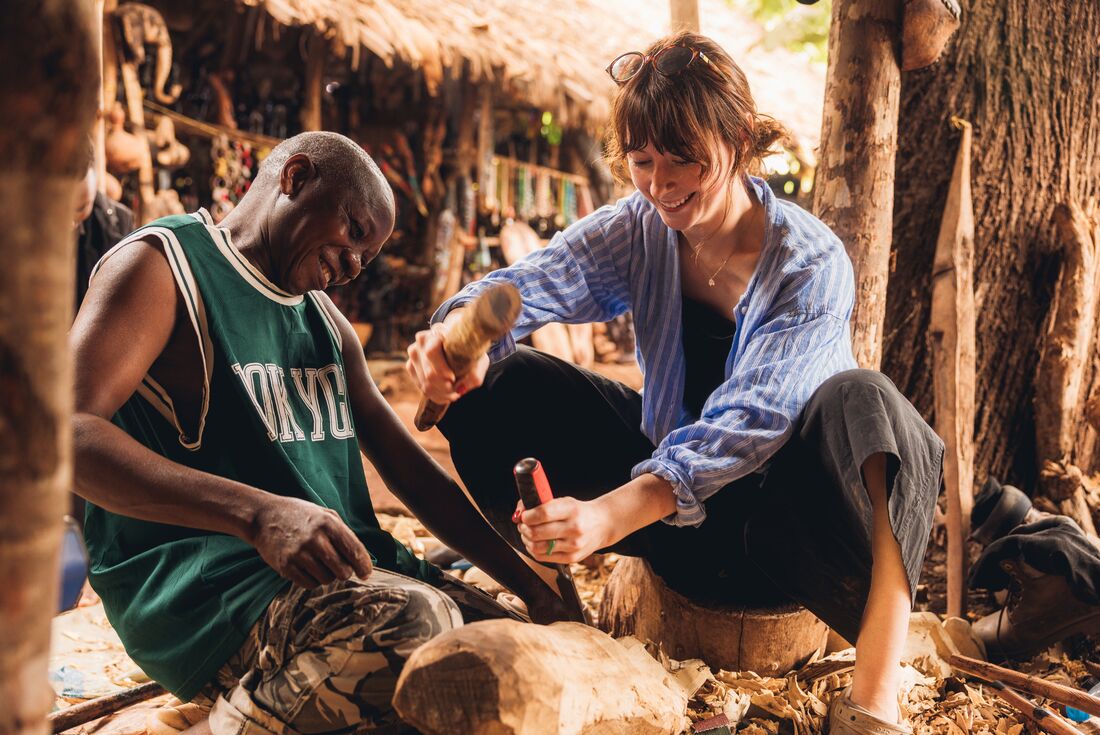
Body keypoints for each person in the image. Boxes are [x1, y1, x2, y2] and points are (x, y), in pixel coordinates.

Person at [406, 32, 943, 735]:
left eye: (684, 158)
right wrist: (454, 340)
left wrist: (608, 515)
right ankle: (552, 598)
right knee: (503, 385)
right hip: (678, 534)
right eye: (642, 160)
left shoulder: (810, 264)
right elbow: (531, 282)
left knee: (867, 401)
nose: (661, 184)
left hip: (777, 539)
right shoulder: (641, 226)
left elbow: (749, 422)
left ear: (740, 137)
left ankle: (874, 701)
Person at [72, 131, 570, 735]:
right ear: (296, 178)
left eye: (370, 255)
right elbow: (68, 435)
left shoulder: (327, 325)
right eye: (355, 232)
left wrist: (531, 587)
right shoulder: (166, 267)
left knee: (501, 655)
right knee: (420, 627)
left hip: (338, 583)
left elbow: (412, 472)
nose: (356, 265)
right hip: (212, 592)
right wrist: (257, 516)